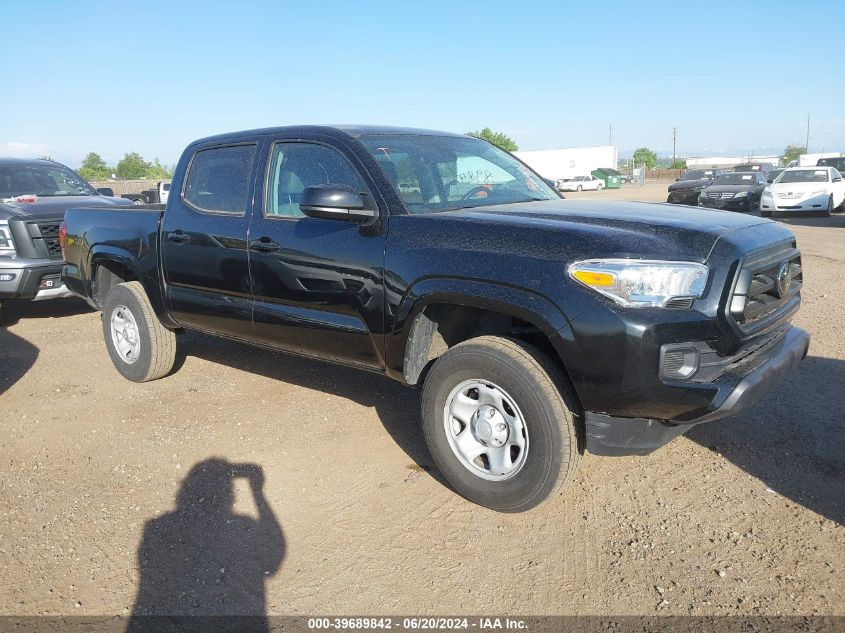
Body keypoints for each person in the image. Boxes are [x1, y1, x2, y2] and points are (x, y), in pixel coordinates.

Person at [127, 458, 284, 633]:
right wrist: (257, 492)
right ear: (230, 494)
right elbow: (272, 561)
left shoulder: (156, 528)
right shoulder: (244, 526)